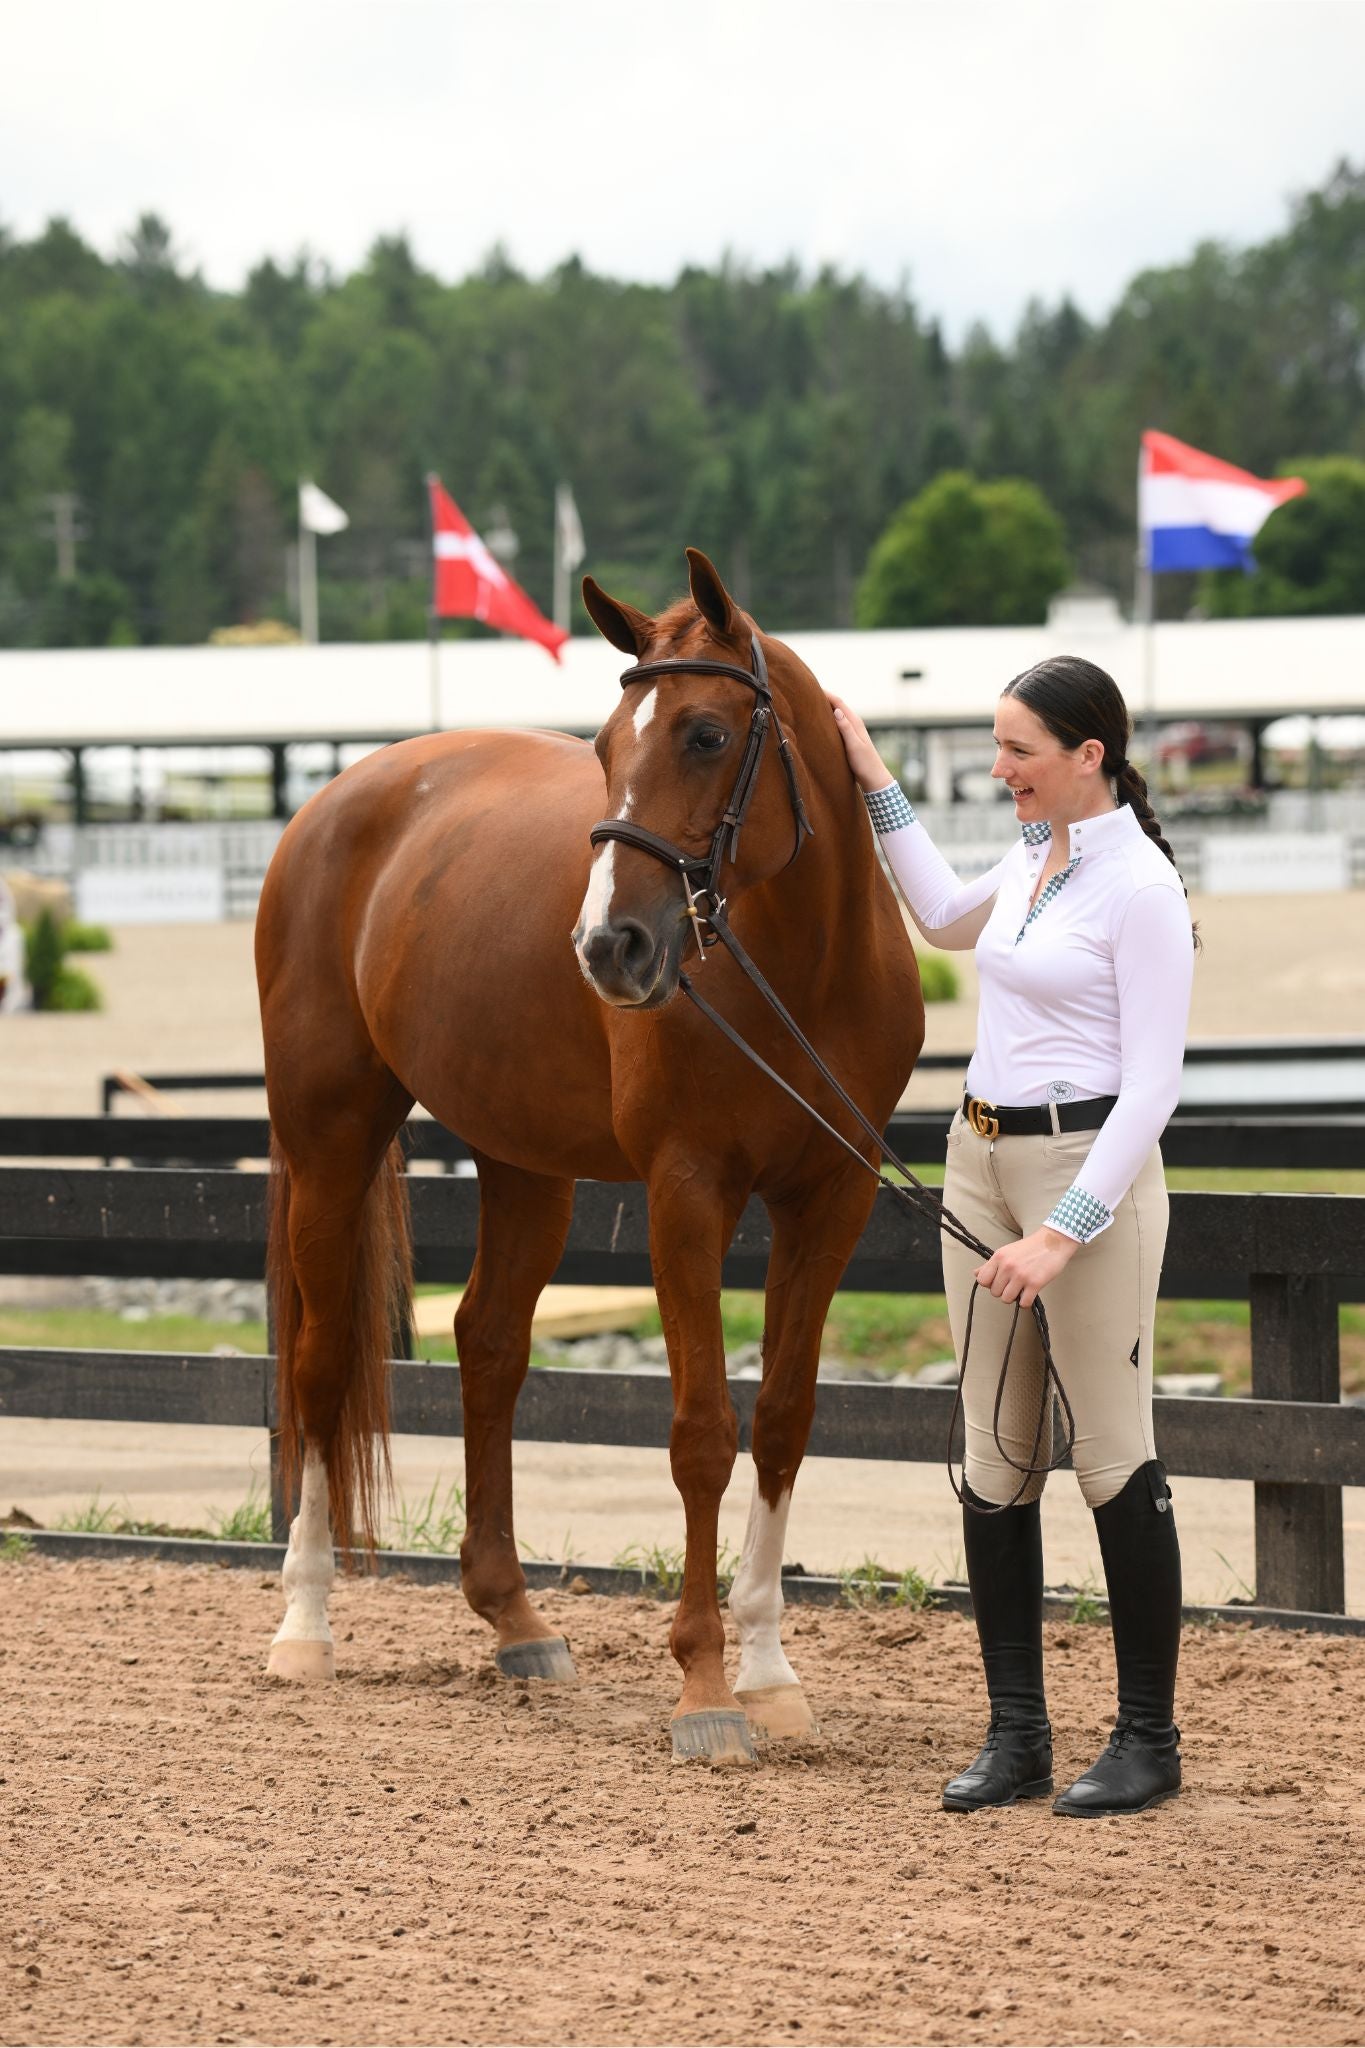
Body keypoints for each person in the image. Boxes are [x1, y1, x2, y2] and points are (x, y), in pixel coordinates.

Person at [829, 656, 1195, 1818]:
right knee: (993, 1459)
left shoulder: (1139, 888)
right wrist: (873, 775)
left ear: (1089, 754)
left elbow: (1153, 1088)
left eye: (1020, 752)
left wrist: (1063, 1234)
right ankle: (1018, 1733)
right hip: (979, 1157)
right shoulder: (1038, 858)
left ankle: (1147, 1738)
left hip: (1087, 1173)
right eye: (998, 747)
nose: (1002, 771)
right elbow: (940, 915)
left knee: (1112, 1459)